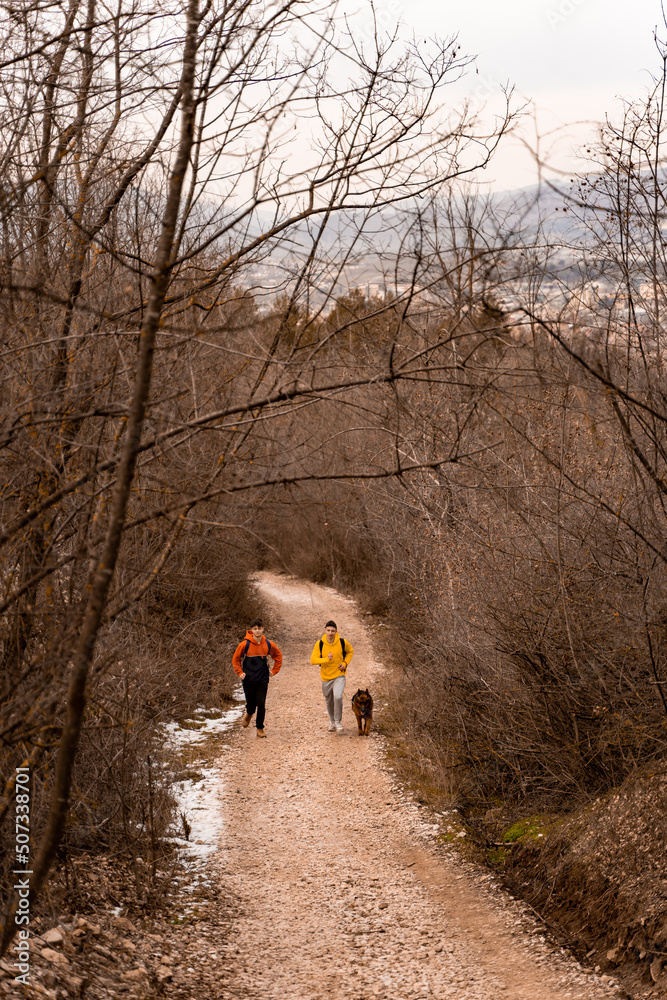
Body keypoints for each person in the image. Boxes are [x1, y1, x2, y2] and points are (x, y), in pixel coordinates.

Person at [232, 618, 282, 738]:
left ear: (263, 629)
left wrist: (274, 671)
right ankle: (249, 714)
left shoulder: (268, 644)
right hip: (248, 679)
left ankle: (260, 728)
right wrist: (240, 672)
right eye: (255, 629)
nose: (258, 631)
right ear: (251, 630)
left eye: (259, 628)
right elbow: (236, 659)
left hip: (262, 678)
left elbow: (278, 656)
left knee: (261, 704)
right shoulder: (245, 644)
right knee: (251, 704)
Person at [310, 620, 353, 733]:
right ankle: (332, 722)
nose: (330, 633)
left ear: (336, 631)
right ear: (325, 630)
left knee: (338, 697)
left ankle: (338, 722)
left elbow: (350, 651)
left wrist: (344, 664)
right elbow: (313, 660)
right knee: (329, 701)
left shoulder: (342, 642)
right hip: (326, 677)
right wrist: (325, 659)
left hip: (339, 676)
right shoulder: (320, 644)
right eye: (328, 630)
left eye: (333, 631)